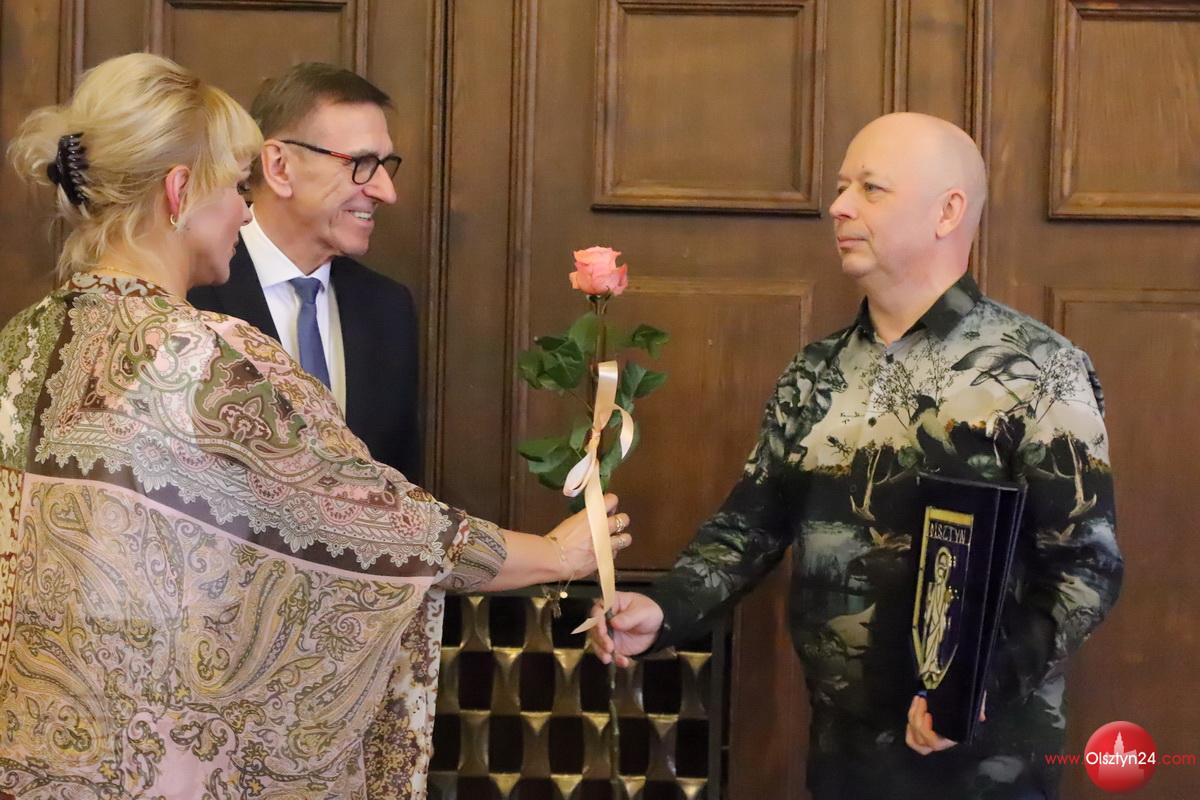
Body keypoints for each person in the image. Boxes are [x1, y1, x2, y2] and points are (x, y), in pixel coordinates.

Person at [0, 53, 630, 799]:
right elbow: (378, 522)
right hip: (152, 760)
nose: (243, 211)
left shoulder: (24, 339)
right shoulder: (210, 357)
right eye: (233, 188)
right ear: (178, 193)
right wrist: (556, 554)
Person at [587, 112, 1123, 800]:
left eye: (871, 188)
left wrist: (973, 685)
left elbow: (1087, 568)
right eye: (842, 187)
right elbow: (748, 527)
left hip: (984, 762)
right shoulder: (814, 372)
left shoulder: (1038, 370)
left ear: (947, 212)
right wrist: (664, 612)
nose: (838, 207)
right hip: (842, 757)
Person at [188, 63, 421, 481]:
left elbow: (401, 488)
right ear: (279, 166)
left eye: (386, 164)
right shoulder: (189, 296)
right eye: (361, 163)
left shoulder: (388, 308)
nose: (386, 191)